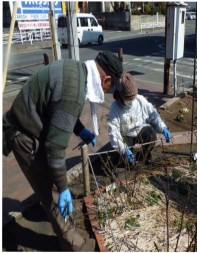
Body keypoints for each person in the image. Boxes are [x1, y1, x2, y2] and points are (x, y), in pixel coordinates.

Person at [3, 51, 123, 251]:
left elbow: (58, 108)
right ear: (106, 78)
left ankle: (59, 219)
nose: (107, 90)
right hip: (23, 135)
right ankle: (76, 246)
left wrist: (80, 129)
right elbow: (55, 148)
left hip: (30, 125)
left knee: (52, 188)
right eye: (110, 87)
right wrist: (64, 187)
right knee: (52, 193)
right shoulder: (74, 91)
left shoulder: (76, 70)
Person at [107, 72, 171, 166]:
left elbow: (152, 114)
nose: (131, 101)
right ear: (120, 96)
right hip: (125, 135)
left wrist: (162, 128)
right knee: (125, 161)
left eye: (133, 98)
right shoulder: (115, 108)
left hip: (140, 131)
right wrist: (124, 149)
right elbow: (114, 132)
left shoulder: (140, 100)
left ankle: (145, 155)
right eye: (128, 99)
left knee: (150, 134)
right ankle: (128, 155)